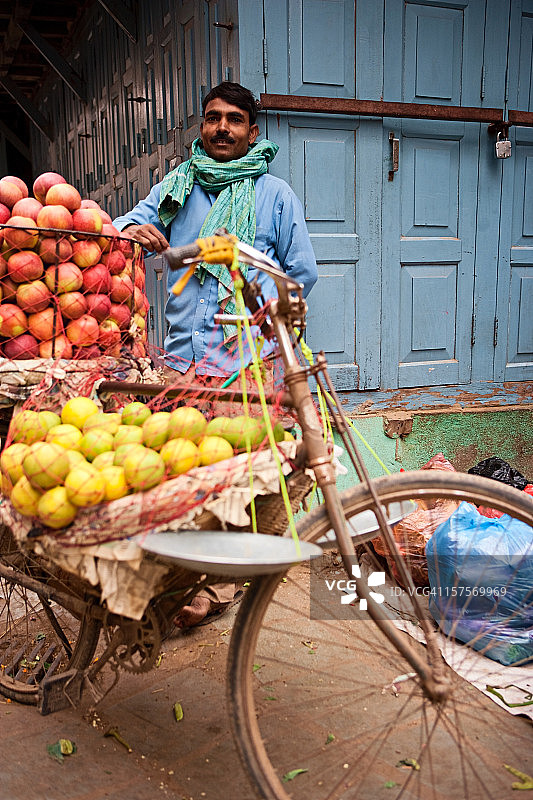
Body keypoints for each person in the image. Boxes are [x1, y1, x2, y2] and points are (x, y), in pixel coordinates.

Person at [113, 81, 318, 626]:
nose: (222, 128)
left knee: (240, 482)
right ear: (202, 126)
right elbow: (123, 229)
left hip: (244, 363)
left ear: (252, 131)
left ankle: (217, 587)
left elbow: (301, 273)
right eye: (212, 118)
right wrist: (139, 230)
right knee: (184, 479)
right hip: (180, 362)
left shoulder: (274, 195)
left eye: (234, 119)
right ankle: (180, 584)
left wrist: (263, 306)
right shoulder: (177, 185)